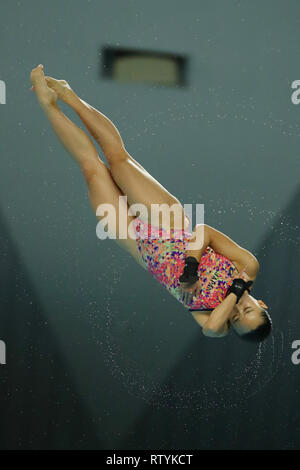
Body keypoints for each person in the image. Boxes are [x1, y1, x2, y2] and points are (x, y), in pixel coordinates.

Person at [30, 64, 272, 343]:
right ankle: (69, 95)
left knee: (91, 168)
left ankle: (48, 104)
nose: (239, 309)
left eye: (237, 318)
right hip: (169, 224)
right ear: (261, 303)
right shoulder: (248, 266)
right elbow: (204, 231)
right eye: (249, 309)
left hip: (139, 246)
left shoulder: (213, 318)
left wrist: (236, 291)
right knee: (117, 158)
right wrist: (192, 268)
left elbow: (212, 328)